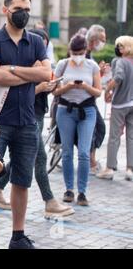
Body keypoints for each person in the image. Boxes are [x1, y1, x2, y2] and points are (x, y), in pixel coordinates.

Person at [0, 0, 52, 249]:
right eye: (18, 8)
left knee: (22, 180)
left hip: (27, 120)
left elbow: (47, 73)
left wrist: (9, 69)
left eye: (27, 9)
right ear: (5, 10)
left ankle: (18, 235)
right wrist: (30, 73)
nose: (23, 13)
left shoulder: (35, 41)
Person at [0, 28, 74, 218]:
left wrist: (51, 87)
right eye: (39, 47)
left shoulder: (40, 67)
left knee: (23, 159)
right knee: (39, 158)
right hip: (24, 118)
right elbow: (17, 95)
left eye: (44, 48)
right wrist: (39, 87)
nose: (41, 53)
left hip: (36, 114)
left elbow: (46, 80)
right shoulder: (22, 66)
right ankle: (49, 201)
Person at [52, 35, 102, 207]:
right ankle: (68, 189)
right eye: (74, 53)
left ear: (86, 50)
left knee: (83, 153)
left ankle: (82, 191)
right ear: (70, 51)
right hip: (65, 110)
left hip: (87, 111)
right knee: (66, 152)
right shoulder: (62, 64)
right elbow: (54, 91)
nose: (77, 56)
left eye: (80, 52)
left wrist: (85, 87)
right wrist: (69, 86)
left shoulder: (92, 66)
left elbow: (98, 92)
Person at [97, 36, 133, 181]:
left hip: (120, 104)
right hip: (132, 103)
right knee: (131, 137)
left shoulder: (120, 62)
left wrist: (108, 90)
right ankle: (130, 169)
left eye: (121, 46)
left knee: (114, 136)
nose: (118, 49)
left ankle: (110, 168)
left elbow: (118, 77)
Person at [85, 24, 108, 175]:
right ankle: (90, 161)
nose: (103, 43)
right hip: (84, 101)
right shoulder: (83, 52)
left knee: (99, 129)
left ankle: (91, 159)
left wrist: (98, 73)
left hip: (89, 99)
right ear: (94, 40)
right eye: (102, 40)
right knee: (97, 129)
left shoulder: (90, 54)